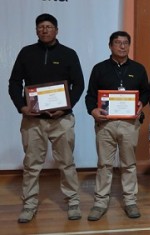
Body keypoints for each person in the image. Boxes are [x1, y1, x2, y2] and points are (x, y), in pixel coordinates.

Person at [8, 13, 85, 223]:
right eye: (40, 26)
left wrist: (66, 107)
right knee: (32, 165)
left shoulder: (69, 54)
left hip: (62, 120)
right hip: (33, 120)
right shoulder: (26, 53)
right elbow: (14, 83)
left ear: (56, 30)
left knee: (66, 163)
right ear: (36, 30)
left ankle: (73, 202)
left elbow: (78, 84)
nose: (44, 30)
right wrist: (22, 107)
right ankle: (29, 205)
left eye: (49, 26)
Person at [84, 31, 149, 221]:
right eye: (117, 43)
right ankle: (100, 202)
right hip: (106, 124)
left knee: (128, 164)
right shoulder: (99, 69)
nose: (122, 46)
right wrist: (93, 111)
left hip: (130, 124)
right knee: (104, 164)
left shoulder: (138, 69)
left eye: (125, 43)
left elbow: (145, 92)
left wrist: (140, 103)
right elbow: (90, 95)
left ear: (129, 46)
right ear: (110, 46)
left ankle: (130, 201)